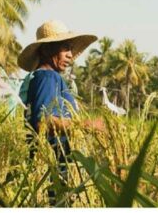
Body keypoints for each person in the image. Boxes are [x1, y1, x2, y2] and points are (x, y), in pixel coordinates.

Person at [17, 19, 104, 205]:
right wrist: (86, 126)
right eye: (65, 48)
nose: (70, 55)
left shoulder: (41, 78)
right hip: (52, 167)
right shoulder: (48, 77)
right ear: (48, 50)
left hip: (49, 164)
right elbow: (43, 122)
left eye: (71, 49)